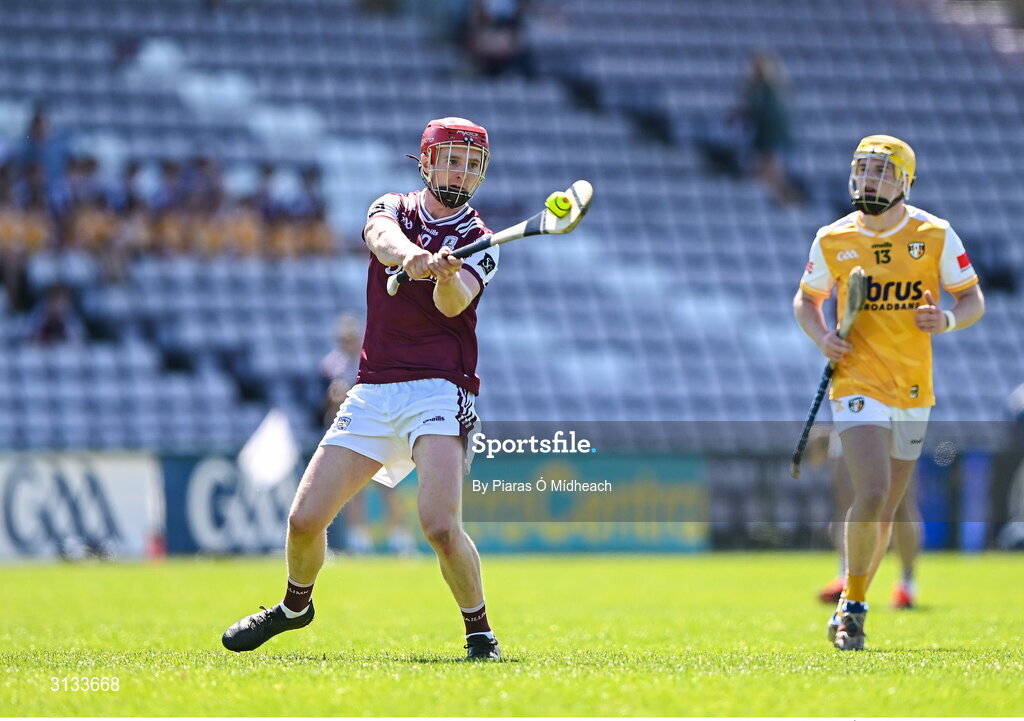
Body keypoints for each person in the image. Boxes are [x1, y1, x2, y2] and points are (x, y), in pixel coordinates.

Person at [222, 117, 502, 660]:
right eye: (452, 161)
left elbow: (452, 305)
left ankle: (480, 634)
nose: (462, 173)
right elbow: (380, 239)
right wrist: (410, 255)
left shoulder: (481, 241)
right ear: (426, 162)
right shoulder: (392, 206)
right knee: (304, 520)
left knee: (439, 526)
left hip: (440, 389)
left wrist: (445, 276)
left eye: (472, 165)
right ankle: (294, 608)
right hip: (374, 388)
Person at [794, 135, 985, 650]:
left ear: (905, 181)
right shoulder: (832, 239)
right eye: (863, 169)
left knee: (887, 509)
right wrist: (823, 337)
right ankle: (855, 609)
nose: (869, 179)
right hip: (856, 382)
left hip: (913, 387)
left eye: (881, 171)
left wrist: (946, 319)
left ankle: (857, 595)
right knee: (873, 492)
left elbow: (972, 299)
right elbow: (807, 301)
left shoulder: (935, 234)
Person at [318, 313, 417, 556]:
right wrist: (332, 398)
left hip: (376, 429)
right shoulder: (330, 367)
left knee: (387, 483)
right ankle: (359, 539)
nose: (348, 342)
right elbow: (318, 404)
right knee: (353, 488)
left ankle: (400, 537)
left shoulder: (371, 360)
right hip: (347, 432)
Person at [816, 430, 922, 610]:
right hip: (853, 419)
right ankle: (845, 577)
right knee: (847, 503)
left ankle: (907, 584)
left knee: (900, 506)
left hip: (897, 419)